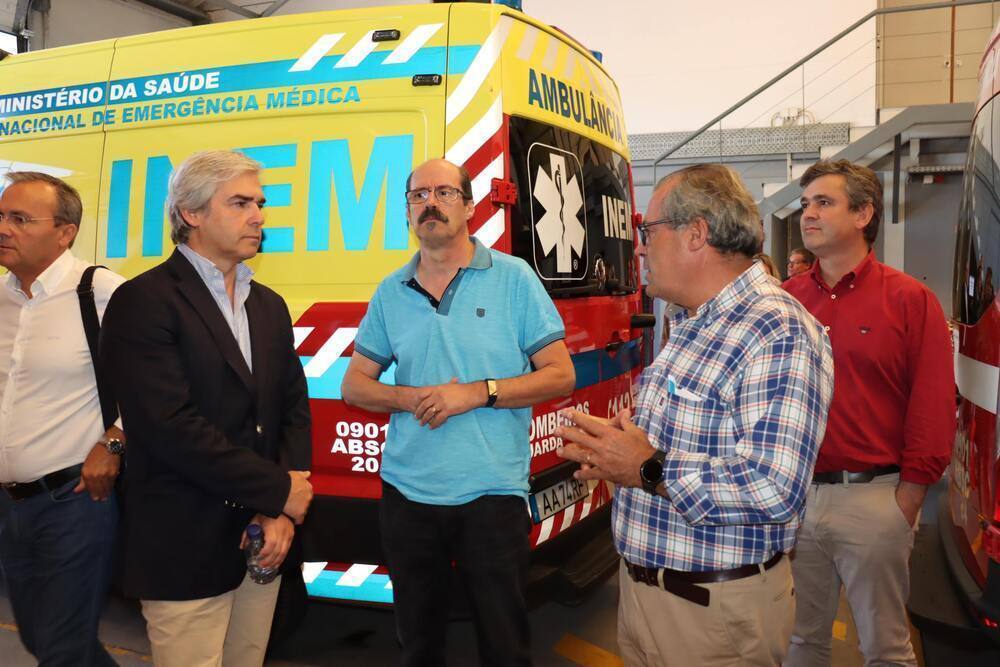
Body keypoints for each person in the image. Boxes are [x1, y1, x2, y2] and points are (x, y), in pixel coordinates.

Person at [556, 164, 834, 667]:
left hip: (713, 615)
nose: (640, 249)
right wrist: (618, 448)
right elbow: (685, 437)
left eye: (648, 232)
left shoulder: (778, 329)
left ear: (696, 234)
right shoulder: (690, 320)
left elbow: (774, 488)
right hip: (649, 595)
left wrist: (646, 466)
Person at [341, 158, 575, 666]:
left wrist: (475, 393)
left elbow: (560, 375)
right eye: (419, 195)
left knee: (503, 647)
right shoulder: (391, 291)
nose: (430, 203)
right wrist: (411, 398)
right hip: (407, 496)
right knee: (418, 646)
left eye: (444, 192)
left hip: (491, 495)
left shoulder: (514, 279)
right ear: (407, 212)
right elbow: (354, 385)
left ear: (469, 207)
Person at [101, 150, 313, 667]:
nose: (258, 216)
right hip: (184, 543)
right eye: (240, 203)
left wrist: (277, 509)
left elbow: (291, 408)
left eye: (259, 203)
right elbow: (169, 427)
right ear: (191, 213)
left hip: (263, 538)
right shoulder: (144, 300)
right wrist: (279, 491)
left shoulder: (268, 304)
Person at [783, 160, 955, 667]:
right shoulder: (786, 302)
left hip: (876, 500)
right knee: (799, 641)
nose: (808, 214)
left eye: (824, 202)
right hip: (794, 500)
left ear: (862, 214)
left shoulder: (910, 301)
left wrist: (910, 496)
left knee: (885, 649)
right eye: (805, 204)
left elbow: (933, 404)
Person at [0, 172, 125, 666]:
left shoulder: (100, 291)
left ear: (65, 232)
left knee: (61, 648)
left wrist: (115, 440)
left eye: (20, 219)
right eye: (1, 216)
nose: (4, 228)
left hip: (74, 500)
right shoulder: (3, 298)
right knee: (41, 637)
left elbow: (164, 378)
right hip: (11, 506)